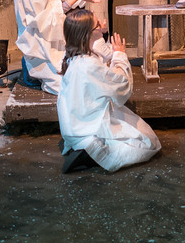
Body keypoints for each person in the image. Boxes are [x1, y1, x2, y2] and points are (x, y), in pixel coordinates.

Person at [57, 9, 161, 173]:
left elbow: (99, 63)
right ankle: (92, 153)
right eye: (98, 24)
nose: (102, 25)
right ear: (87, 34)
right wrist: (120, 56)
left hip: (75, 125)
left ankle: (86, 149)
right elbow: (120, 85)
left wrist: (99, 35)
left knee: (133, 126)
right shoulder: (88, 65)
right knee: (148, 143)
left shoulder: (75, 57)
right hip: (86, 129)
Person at [13, 0, 114, 95]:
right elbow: (45, 22)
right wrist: (68, 3)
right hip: (42, 50)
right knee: (71, 86)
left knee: (88, 71)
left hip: (56, 43)